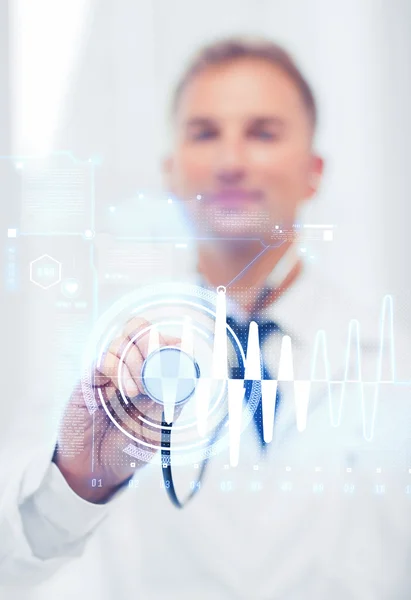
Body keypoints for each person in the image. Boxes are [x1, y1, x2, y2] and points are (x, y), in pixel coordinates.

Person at [1, 36, 411, 600]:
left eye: (263, 132)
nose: (231, 161)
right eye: (204, 133)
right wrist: (77, 482)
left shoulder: (391, 362)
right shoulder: (94, 365)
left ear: (314, 171)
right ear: (171, 171)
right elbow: (12, 563)